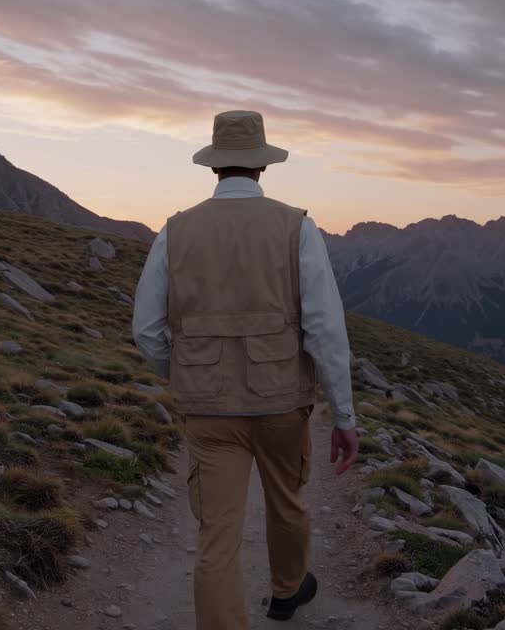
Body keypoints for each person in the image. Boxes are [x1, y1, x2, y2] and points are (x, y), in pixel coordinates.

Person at [132, 110, 359, 630]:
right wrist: (343, 416)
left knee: (218, 533)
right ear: (261, 166)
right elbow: (325, 328)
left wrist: (186, 370)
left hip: (209, 409)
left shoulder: (175, 231)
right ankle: (287, 591)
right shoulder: (296, 226)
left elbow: (147, 329)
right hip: (281, 400)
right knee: (288, 502)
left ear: (214, 166)